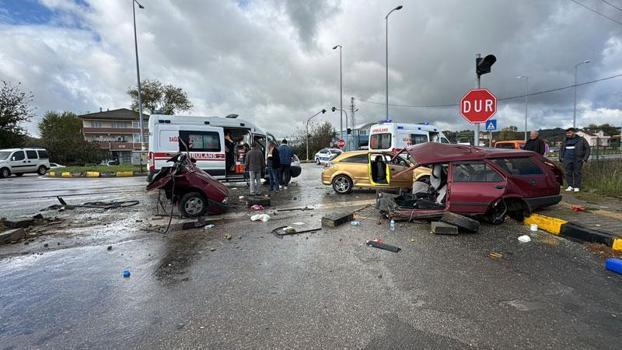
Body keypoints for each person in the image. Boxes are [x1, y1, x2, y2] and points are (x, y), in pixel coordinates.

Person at [559, 128, 590, 192]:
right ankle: (570, 186)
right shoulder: (565, 140)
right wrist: (561, 157)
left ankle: (577, 186)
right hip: (567, 159)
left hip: (578, 159)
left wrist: (585, 158)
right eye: (567, 133)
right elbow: (561, 149)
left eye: (569, 133)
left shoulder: (581, 140)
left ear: (574, 132)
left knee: (577, 173)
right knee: (568, 173)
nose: (568, 134)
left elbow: (588, 149)